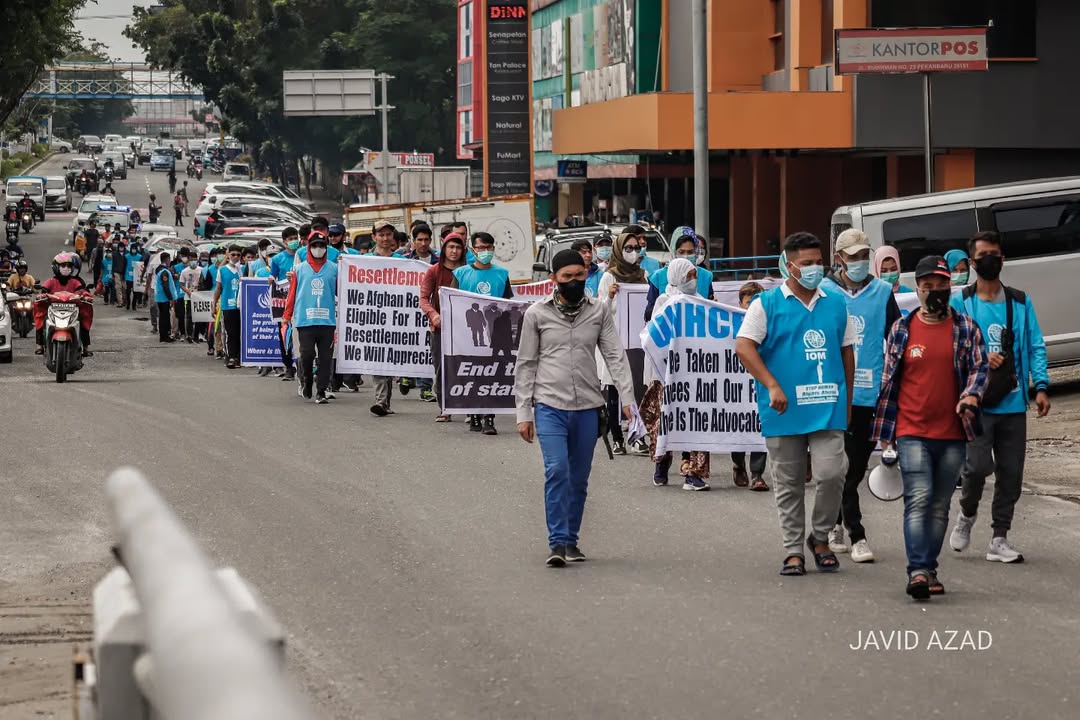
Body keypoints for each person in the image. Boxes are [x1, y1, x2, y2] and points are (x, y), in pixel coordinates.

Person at [735, 232, 856, 577]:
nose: (816, 268)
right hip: (783, 409)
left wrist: (846, 400)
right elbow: (744, 346)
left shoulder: (835, 303)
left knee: (833, 474)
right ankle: (793, 550)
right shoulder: (766, 304)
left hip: (827, 406)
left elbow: (847, 351)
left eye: (820, 262)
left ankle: (819, 537)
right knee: (787, 482)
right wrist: (771, 384)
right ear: (789, 266)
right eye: (807, 263)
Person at [873, 255, 988, 600]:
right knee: (919, 499)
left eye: (941, 286)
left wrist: (970, 397)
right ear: (918, 289)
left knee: (939, 505)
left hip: (954, 432)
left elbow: (980, 369)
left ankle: (929, 567)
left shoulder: (966, 328)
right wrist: (888, 428)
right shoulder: (902, 329)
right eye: (927, 287)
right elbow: (889, 377)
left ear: (949, 289)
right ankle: (918, 570)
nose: (934, 292)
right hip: (912, 429)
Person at [515, 249, 635, 567]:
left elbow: (615, 355)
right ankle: (556, 542)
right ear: (554, 279)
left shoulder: (598, 312)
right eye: (566, 277)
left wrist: (627, 397)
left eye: (579, 276)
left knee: (579, 478)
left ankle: (571, 540)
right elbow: (525, 364)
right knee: (557, 470)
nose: (574, 282)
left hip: (587, 408)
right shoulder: (536, 314)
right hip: (549, 406)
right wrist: (523, 412)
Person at [949, 230, 1050, 564]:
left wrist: (1042, 386)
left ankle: (999, 537)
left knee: (1011, 472)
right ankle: (966, 514)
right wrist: (981, 354)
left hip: (1011, 400)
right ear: (973, 262)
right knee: (976, 467)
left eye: (995, 253)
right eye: (983, 256)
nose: (990, 260)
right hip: (974, 402)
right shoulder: (960, 302)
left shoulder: (1019, 302)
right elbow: (949, 346)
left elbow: (1035, 344)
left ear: (1002, 259)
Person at [820, 229, 902, 564]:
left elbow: (896, 338)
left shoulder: (882, 292)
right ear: (839, 258)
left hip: (870, 394)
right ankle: (858, 535)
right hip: (833, 392)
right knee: (845, 467)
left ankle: (835, 522)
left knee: (852, 467)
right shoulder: (824, 291)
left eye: (863, 256)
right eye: (852, 256)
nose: (859, 262)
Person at [641, 258, 712, 490]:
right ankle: (661, 466)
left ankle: (695, 473)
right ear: (677, 277)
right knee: (667, 421)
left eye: (695, 275)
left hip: (695, 373)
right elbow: (656, 338)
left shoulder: (701, 303)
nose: (694, 280)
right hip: (668, 375)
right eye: (689, 275)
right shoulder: (664, 302)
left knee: (698, 421)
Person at [452, 231, 513, 435]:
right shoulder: (460, 274)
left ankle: (489, 418)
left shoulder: (502, 274)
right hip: (467, 333)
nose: (485, 251)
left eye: (489, 248)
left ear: (494, 249)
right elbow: (451, 301)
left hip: (494, 333)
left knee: (490, 375)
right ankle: (474, 415)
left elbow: (508, 304)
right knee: (472, 373)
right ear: (472, 249)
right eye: (480, 248)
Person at [597, 231, 650, 456]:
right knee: (615, 392)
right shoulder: (609, 277)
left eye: (636, 248)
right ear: (620, 249)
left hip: (636, 344)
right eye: (628, 248)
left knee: (636, 390)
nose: (633, 252)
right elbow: (599, 311)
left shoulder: (644, 275)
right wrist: (609, 297)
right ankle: (616, 436)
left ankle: (637, 435)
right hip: (614, 343)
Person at [283, 232, 338, 404]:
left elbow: (342, 292)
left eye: (322, 246)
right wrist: (286, 315)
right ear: (309, 248)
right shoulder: (299, 270)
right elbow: (292, 295)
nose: (318, 249)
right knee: (306, 354)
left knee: (325, 358)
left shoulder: (334, 269)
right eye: (314, 246)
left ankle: (321, 390)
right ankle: (306, 380)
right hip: (305, 321)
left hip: (327, 321)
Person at [420, 233, 468, 419]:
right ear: (444, 249)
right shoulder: (434, 271)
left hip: (465, 329)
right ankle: (445, 408)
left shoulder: (468, 271)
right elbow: (424, 298)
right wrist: (433, 314)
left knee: (465, 367)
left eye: (458, 248)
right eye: (451, 247)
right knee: (442, 370)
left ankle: (466, 408)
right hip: (440, 329)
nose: (454, 251)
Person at [731, 281, 770, 492]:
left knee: (758, 426)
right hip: (735, 387)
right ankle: (738, 464)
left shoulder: (768, 324)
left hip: (758, 385)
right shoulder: (730, 323)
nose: (753, 307)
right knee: (737, 425)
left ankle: (757, 474)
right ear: (740, 303)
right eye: (749, 303)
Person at [367, 220, 404, 417]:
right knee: (377, 359)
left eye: (388, 234)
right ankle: (380, 401)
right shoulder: (364, 261)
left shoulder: (402, 261)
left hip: (395, 317)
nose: (385, 238)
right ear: (374, 237)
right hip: (373, 317)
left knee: (390, 360)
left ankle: (385, 401)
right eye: (381, 234)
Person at [644, 226, 715, 320]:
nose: (685, 256)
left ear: (696, 251)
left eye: (690, 252)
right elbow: (649, 314)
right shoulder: (658, 277)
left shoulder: (706, 276)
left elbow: (710, 307)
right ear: (674, 251)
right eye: (681, 252)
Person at [35, 253, 93, 357]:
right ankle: (39, 345)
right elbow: (43, 292)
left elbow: (82, 291)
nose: (66, 268)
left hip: (72, 311)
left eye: (69, 266)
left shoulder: (75, 282)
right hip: (53, 311)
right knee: (41, 319)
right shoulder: (51, 281)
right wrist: (41, 296)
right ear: (56, 267)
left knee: (83, 320)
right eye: (63, 266)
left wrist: (86, 296)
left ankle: (85, 347)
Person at [214, 244, 244, 369]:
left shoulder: (243, 269)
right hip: (227, 306)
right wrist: (214, 304)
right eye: (233, 254)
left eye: (238, 255)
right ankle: (231, 356)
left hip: (242, 307)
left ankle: (239, 357)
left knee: (240, 332)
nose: (236, 257)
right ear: (228, 255)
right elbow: (218, 288)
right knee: (230, 333)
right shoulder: (222, 270)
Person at [154, 252, 179, 342]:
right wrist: (171, 298)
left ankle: (163, 336)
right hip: (163, 298)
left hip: (161, 297)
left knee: (163, 317)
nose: (170, 261)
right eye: (169, 259)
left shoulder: (161, 270)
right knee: (164, 317)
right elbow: (166, 286)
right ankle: (164, 336)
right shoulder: (164, 271)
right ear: (167, 259)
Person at [179, 253, 202, 342]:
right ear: (189, 260)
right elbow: (181, 284)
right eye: (192, 259)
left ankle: (197, 334)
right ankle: (189, 334)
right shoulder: (184, 271)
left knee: (199, 316)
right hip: (188, 297)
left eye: (195, 259)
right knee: (189, 316)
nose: (194, 261)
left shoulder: (201, 270)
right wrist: (187, 291)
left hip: (199, 296)